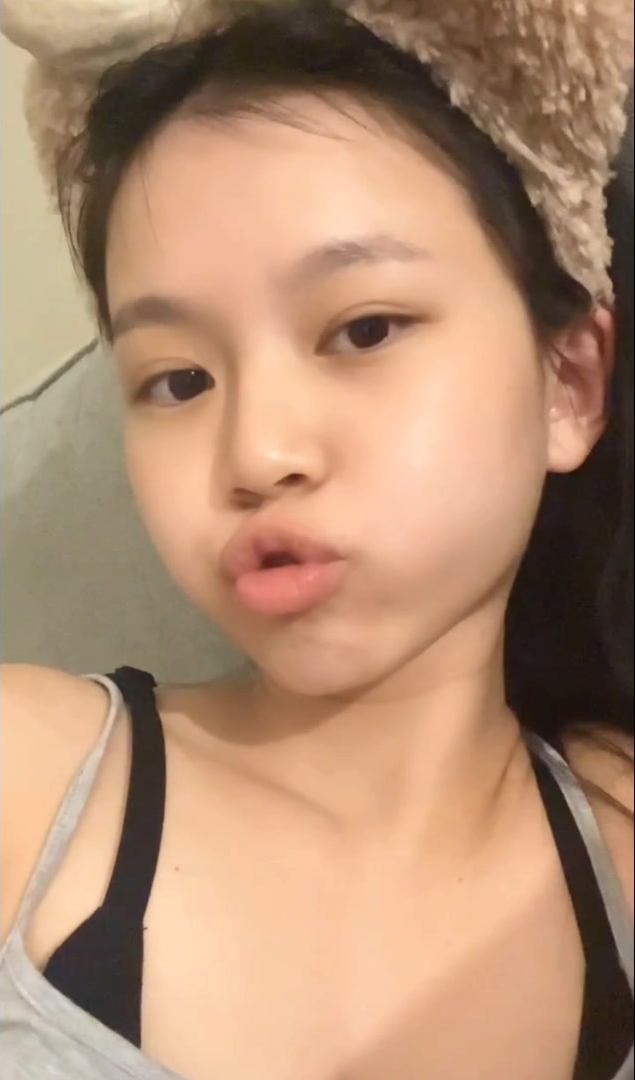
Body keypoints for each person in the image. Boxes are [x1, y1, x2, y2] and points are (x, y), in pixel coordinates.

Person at [1, 3, 633, 1079]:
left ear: (565, 384)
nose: (256, 453)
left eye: (363, 329)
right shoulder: (30, 775)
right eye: (178, 381)